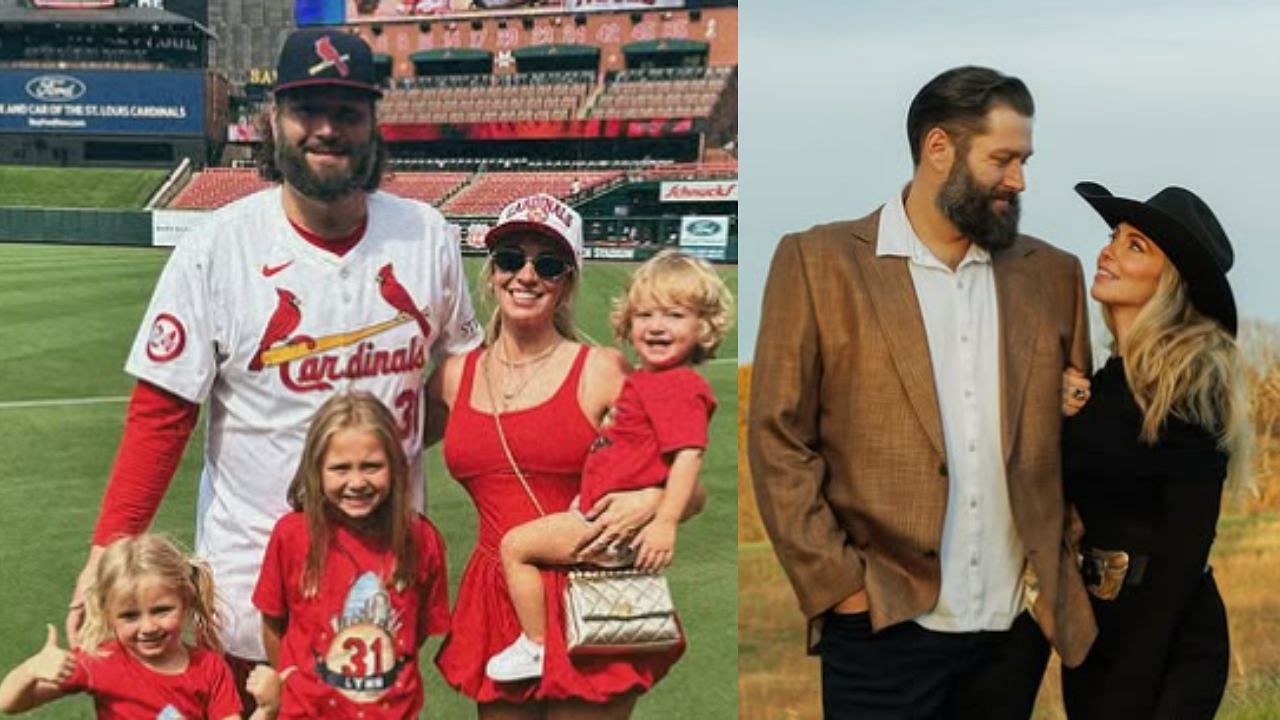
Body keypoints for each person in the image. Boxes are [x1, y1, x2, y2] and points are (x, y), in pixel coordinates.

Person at [64, 26, 480, 699]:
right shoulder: (217, 247)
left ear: (374, 122)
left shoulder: (425, 234)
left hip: (381, 590)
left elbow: (462, 375)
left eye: (346, 111)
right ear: (273, 122)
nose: (325, 130)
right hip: (249, 598)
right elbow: (160, 418)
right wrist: (105, 552)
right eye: (306, 111)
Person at [748, 65, 1097, 719]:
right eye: (1003, 159)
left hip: (1012, 633)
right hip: (881, 624)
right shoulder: (818, 262)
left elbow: (1077, 447)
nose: (1019, 180)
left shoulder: (1054, 275)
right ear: (939, 149)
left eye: (1024, 160)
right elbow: (777, 438)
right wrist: (841, 588)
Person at [431, 193, 702, 718]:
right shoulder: (454, 376)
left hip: (590, 590)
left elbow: (688, 484)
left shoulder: (599, 369)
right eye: (511, 259)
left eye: (547, 264)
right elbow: (382, 443)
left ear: (567, 282)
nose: (526, 276)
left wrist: (647, 501)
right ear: (490, 274)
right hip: (499, 594)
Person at [485, 250, 732, 683]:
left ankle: (535, 645)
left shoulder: (677, 386)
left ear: (704, 328)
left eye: (675, 315)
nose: (656, 325)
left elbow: (689, 456)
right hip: (597, 510)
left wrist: (664, 521)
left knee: (515, 547)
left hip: (601, 521)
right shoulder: (650, 380)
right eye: (645, 314)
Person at [1058, 182, 1248, 719]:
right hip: (1097, 632)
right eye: (1114, 236)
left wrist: (1131, 683)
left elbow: (1184, 556)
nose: (1109, 250)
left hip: (1168, 643)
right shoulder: (1106, 384)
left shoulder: (1190, 388)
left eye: (1135, 245)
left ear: (1171, 283)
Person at [253, 392, 450, 718]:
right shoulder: (292, 535)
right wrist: (296, 682)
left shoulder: (420, 538)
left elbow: (419, 629)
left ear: (396, 467)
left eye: (371, 467)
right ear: (316, 470)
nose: (357, 482)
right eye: (341, 469)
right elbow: (273, 622)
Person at [0, 534, 280, 719]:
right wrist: (30, 670)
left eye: (161, 610)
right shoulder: (101, 662)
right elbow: (8, 703)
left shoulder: (209, 668)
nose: (148, 627)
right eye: (130, 616)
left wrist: (267, 708)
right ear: (108, 613)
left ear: (186, 600)